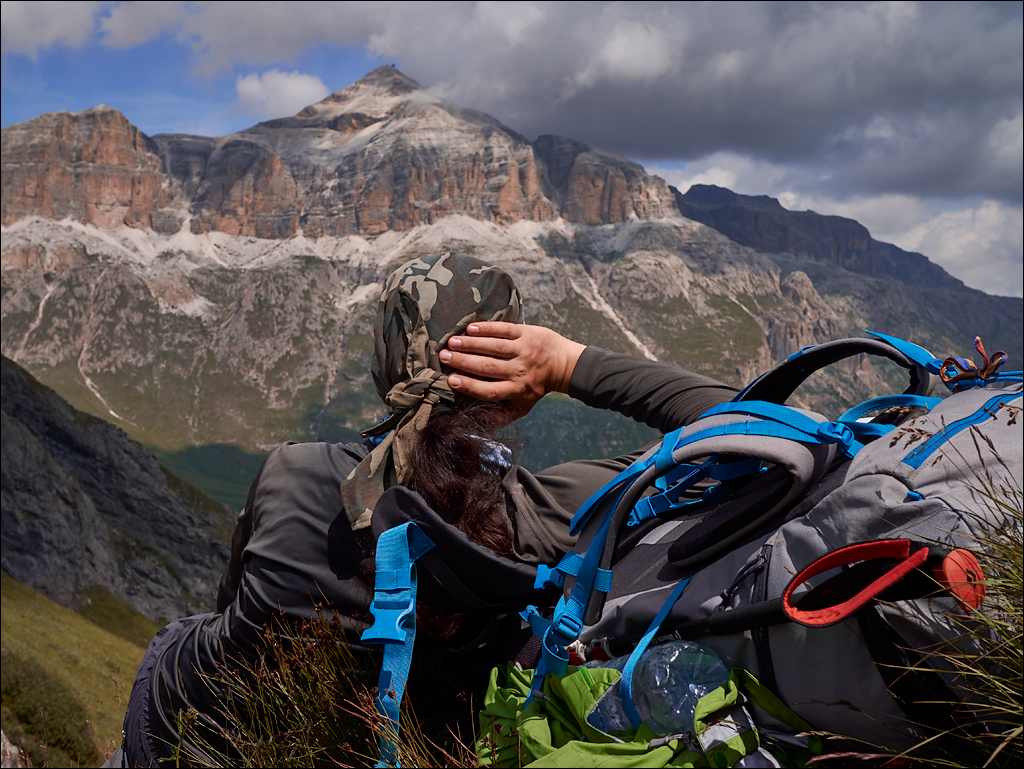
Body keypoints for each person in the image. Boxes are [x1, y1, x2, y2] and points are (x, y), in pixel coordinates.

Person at [107, 252, 737, 767]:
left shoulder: (295, 475)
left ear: (388, 362)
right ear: (514, 383)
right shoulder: (552, 516)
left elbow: (234, 610)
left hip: (196, 734)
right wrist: (568, 364)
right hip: (418, 747)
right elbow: (756, 423)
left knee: (181, 637)